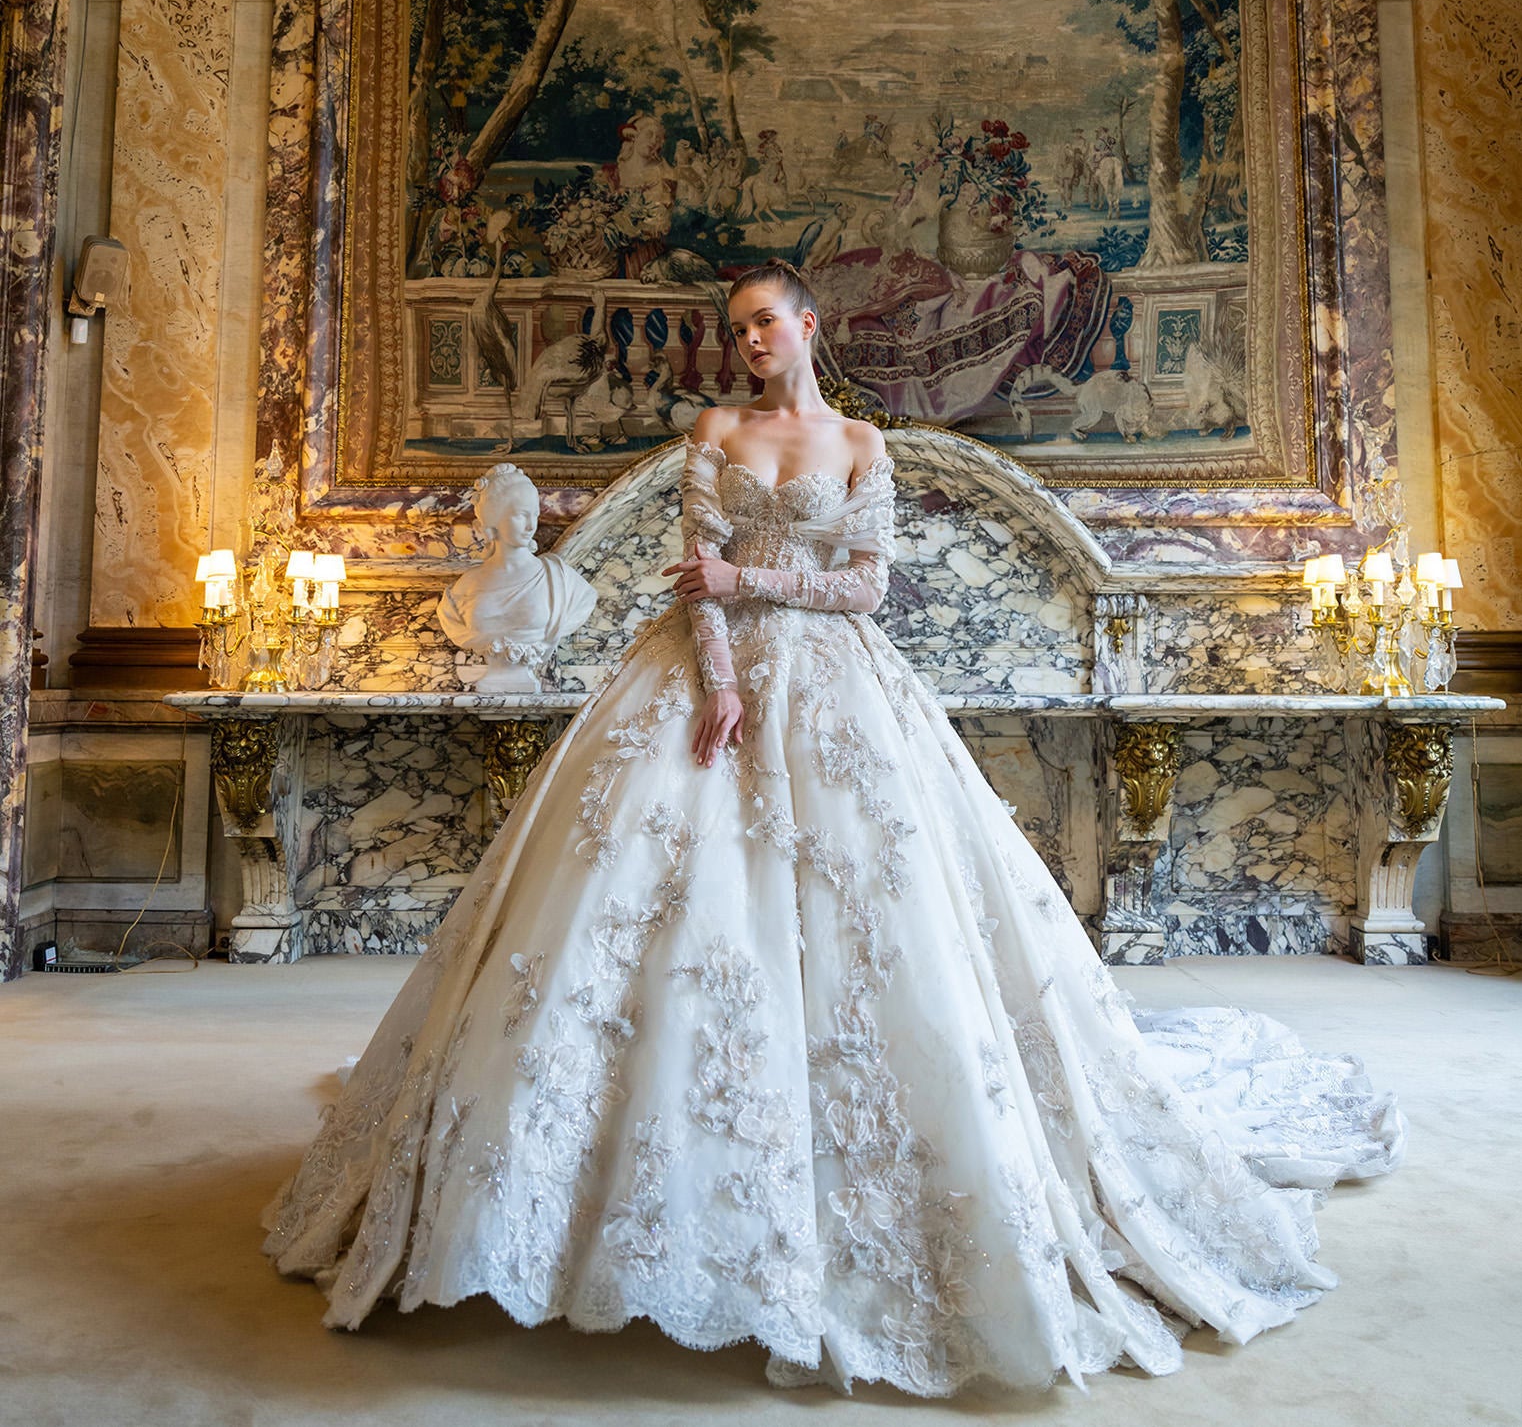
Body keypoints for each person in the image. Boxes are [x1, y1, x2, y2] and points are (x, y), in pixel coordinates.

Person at [262, 258, 1403, 1398]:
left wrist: (750, 575)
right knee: (631, 915)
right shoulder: (712, 428)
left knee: (882, 921)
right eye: (737, 327)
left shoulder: (864, 445)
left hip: (841, 684)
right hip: (702, 679)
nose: (750, 339)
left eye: (765, 321)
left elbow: (864, 586)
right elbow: (692, 581)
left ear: (808, 325)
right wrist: (718, 683)